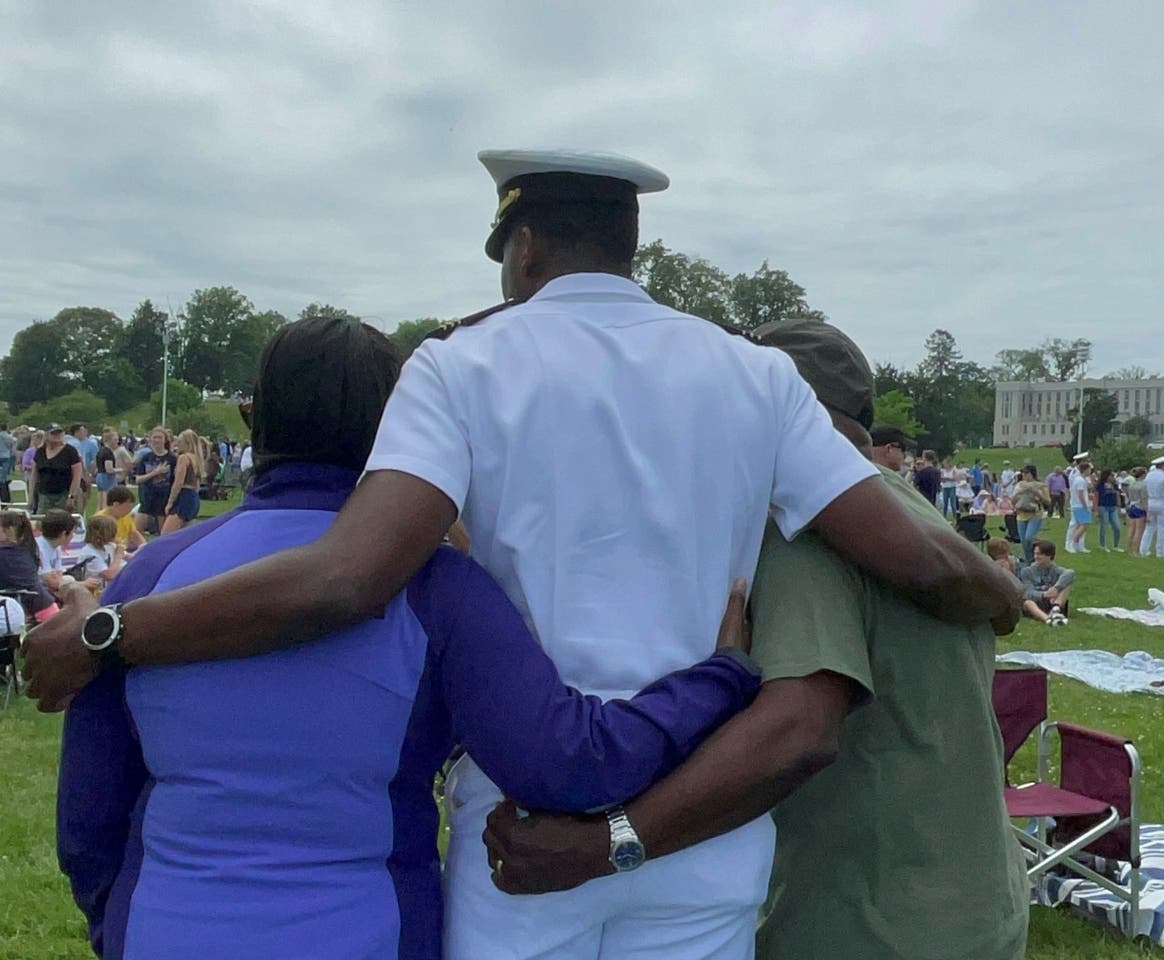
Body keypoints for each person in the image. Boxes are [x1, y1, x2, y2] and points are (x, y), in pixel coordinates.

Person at [27, 150, 1021, 960]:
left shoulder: (461, 368)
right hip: (702, 829)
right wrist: (1003, 589)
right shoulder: (755, 375)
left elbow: (348, 576)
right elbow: (923, 561)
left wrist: (110, 630)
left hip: (523, 834)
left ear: (526, 245)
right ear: (633, 245)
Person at [56, 315, 762, 960]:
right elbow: (568, 762)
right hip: (366, 928)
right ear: (405, 423)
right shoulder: (436, 586)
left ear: (255, 416)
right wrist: (719, 676)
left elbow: (88, 817)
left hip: (164, 926)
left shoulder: (148, 575)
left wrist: (116, 919)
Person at [480, 320, 1029, 960]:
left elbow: (798, 731)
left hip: (868, 925)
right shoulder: (912, 514)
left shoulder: (805, 525)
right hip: (973, 906)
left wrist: (605, 846)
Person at [0, 511, 59, 623]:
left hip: (32, 613)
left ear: (9, 530)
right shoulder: (25, 548)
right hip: (46, 607)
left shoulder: (5, 553)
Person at [131, 427, 175, 536]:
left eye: (159, 437)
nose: (156, 440)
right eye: (154, 437)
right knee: (136, 532)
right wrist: (155, 473)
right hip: (147, 498)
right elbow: (138, 479)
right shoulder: (146, 458)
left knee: (163, 534)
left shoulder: (172, 459)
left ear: (165, 440)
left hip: (163, 499)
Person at [31, 423, 82, 514]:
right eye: (53, 433)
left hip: (64, 494)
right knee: (41, 522)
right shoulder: (40, 451)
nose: (57, 436)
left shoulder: (70, 451)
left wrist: (71, 496)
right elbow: (34, 475)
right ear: (47, 435)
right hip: (44, 494)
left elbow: (77, 476)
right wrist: (31, 496)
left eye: (59, 433)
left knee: (63, 522)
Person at [1020, 540, 1073, 625]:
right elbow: (1028, 592)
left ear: (1049, 556)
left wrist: (1056, 588)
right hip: (1036, 603)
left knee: (1066, 584)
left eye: (1040, 554)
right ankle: (1048, 619)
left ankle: (1056, 609)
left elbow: (1070, 573)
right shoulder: (1027, 571)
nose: (1036, 557)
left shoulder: (1055, 570)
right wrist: (1044, 594)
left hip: (1052, 602)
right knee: (1027, 602)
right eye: (1035, 553)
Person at [162, 429, 204, 534]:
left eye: (180, 442)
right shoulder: (197, 459)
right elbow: (198, 483)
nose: (177, 444)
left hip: (183, 495)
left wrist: (170, 502)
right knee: (183, 534)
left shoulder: (184, 458)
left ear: (187, 443)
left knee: (165, 535)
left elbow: (178, 482)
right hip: (193, 496)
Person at [1011, 465, 1050, 563]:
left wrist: (1036, 493)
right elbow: (1012, 500)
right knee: (1023, 541)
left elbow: (1048, 501)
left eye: (1026, 473)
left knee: (1029, 537)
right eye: (1023, 473)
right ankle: (1030, 560)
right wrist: (1018, 493)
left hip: (1035, 514)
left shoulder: (1041, 485)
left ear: (1032, 473)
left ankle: (1035, 557)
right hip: (1021, 514)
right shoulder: (1019, 485)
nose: (1024, 475)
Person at [1140, 456, 1164, 558]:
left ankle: (1143, 550)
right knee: (1162, 528)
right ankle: (1160, 552)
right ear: (1163, 465)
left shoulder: (1149, 476)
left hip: (1150, 502)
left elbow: (1144, 489)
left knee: (1149, 528)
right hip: (1162, 503)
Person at [75, 515, 124, 588]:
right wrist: (118, 556)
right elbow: (110, 575)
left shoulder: (109, 546)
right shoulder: (90, 554)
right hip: (94, 592)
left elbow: (130, 557)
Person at [35, 509, 77, 593]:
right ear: (63, 534)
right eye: (72, 532)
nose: (73, 535)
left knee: (69, 580)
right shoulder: (39, 549)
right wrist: (83, 584)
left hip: (49, 588)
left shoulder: (55, 546)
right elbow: (51, 582)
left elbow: (58, 575)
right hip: (39, 591)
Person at [95, 486, 147, 553]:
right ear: (116, 504)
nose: (130, 510)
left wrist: (144, 546)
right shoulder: (100, 520)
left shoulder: (126, 517)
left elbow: (135, 534)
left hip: (122, 551)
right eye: (128, 507)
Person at [1066, 461, 1094, 554]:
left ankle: (1078, 545)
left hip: (1078, 505)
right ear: (1085, 470)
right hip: (1080, 506)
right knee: (1083, 525)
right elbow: (1080, 494)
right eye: (1089, 469)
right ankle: (1072, 543)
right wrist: (1085, 505)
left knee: (1080, 525)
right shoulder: (1080, 480)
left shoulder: (1081, 479)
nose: (1090, 471)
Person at [1095, 469, 1123, 552]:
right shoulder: (1100, 485)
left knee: (1117, 527)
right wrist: (1096, 509)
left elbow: (1117, 495)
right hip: (1103, 507)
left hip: (1113, 507)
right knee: (1104, 526)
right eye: (1111, 475)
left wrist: (1119, 506)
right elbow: (1096, 497)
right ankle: (1102, 545)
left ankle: (1116, 545)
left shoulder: (1114, 485)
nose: (1112, 477)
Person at [94, 430, 120, 511]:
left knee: (100, 501)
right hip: (107, 478)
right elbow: (109, 469)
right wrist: (120, 470)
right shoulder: (108, 453)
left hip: (99, 476)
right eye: (115, 440)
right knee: (107, 501)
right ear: (108, 440)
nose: (117, 442)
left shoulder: (100, 451)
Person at [1127, 467, 1149, 555]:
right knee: (1139, 531)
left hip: (1132, 506)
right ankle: (1135, 550)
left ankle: (1129, 549)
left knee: (1131, 529)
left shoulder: (1132, 485)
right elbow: (1144, 500)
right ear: (1143, 475)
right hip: (1139, 507)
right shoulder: (1144, 486)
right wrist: (1147, 512)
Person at [0, 422, 14, 502]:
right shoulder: (9, 437)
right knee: (4, 474)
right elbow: (11, 446)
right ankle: (3, 481)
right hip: (6, 455)